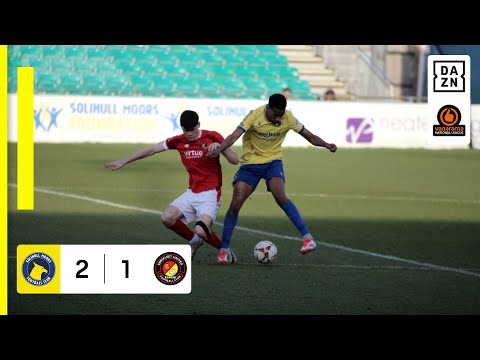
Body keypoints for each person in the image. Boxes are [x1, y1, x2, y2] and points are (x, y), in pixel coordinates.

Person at [206, 94, 337, 264]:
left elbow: (310, 137)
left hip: (273, 162)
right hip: (250, 164)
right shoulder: (255, 115)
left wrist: (326, 144)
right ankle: (223, 250)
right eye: (275, 114)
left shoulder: (288, 117)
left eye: (280, 115)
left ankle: (307, 238)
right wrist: (219, 150)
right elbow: (233, 136)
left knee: (279, 194)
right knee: (235, 203)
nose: (278, 119)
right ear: (268, 107)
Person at [104, 110, 240, 262]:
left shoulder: (212, 136)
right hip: (192, 192)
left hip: (210, 194)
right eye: (185, 130)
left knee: (201, 230)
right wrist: (124, 161)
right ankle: (194, 241)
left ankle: (224, 250)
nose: (189, 134)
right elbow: (152, 150)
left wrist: (221, 148)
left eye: (192, 129)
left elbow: (235, 160)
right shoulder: (179, 141)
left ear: (199, 125)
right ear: (181, 128)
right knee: (167, 217)